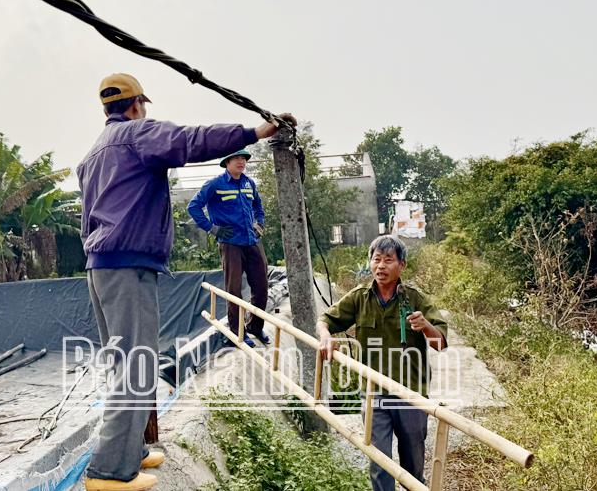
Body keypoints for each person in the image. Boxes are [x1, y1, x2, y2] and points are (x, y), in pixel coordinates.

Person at [78, 72, 294, 491]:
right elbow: (190, 141)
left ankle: (131, 452)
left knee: (126, 362)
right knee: (135, 367)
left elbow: (88, 218)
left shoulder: (93, 154)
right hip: (128, 267)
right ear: (137, 105)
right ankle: (109, 472)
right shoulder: (136, 135)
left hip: (101, 266)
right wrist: (253, 133)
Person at [316, 235, 448, 491]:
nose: (381, 266)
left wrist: (426, 326)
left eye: (388, 260)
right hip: (374, 394)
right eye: (376, 260)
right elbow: (325, 320)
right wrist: (325, 337)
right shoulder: (359, 298)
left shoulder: (415, 299)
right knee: (379, 464)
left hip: (411, 395)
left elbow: (440, 343)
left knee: (413, 466)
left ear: (402, 265)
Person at [187, 149, 270, 348]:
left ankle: (255, 326)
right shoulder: (215, 184)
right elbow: (193, 207)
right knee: (234, 290)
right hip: (230, 243)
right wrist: (212, 229)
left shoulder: (249, 184)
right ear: (227, 162)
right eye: (236, 158)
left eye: (244, 158)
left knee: (261, 286)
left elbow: (258, 206)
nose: (241, 162)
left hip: (251, 241)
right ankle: (237, 331)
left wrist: (259, 224)